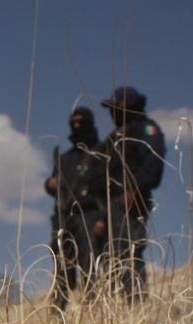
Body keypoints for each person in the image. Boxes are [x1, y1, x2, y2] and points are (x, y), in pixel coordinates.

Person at [100, 86, 165, 300]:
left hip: (130, 205)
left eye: (115, 107)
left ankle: (135, 307)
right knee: (108, 259)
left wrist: (134, 190)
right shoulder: (112, 138)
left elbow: (153, 164)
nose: (111, 112)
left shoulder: (146, 129)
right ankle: (114, 311)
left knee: (128, 253)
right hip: (108, 208)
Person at [44, 106, 106, 308]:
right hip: (63, 218)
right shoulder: (65, 158)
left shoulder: (102, 154)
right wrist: (51, 184)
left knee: (89, 266)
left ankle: (92, 311)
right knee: (61, 268)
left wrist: (103, 220)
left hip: (89, 215)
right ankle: (58, 315)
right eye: (73, 122)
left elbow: (110, 190)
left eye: (81, 122)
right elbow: (54, 183)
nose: (76, 126)